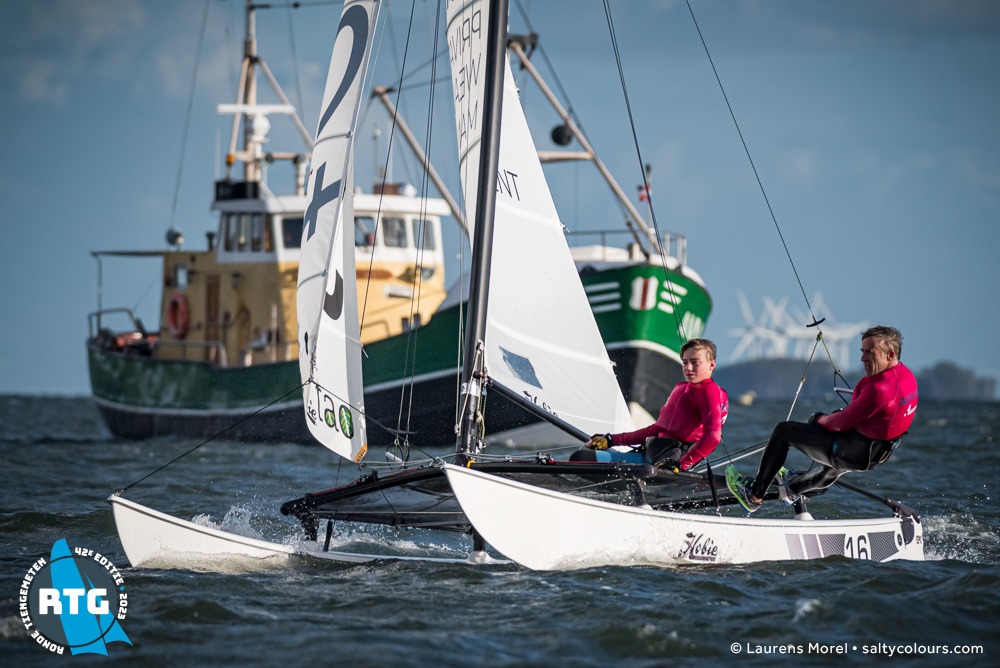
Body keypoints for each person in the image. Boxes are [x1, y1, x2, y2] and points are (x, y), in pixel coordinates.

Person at [727, 325, 918, 513]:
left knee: (783, 431)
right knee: (832, 461)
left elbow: (838, 424)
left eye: (870, 352)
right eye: (862, 351)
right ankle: (794, 490)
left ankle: (753, 496)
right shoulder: (907, 376)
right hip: (876, 454)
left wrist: (818, 419)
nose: (862, 358)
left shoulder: (880, 390)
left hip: (852, 451)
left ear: (890, 355)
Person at [583, 338, 729, 472]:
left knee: (583, 458)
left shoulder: (710, 393)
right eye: (685, 362)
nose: (688, 368)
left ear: (711, 364)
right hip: (652, 455)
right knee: (587, 452)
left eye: (695, 362)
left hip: (666, 465)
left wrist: (681, 464)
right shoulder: (682, 388)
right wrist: (611, 440)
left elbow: (713, 437)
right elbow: (656, 429)